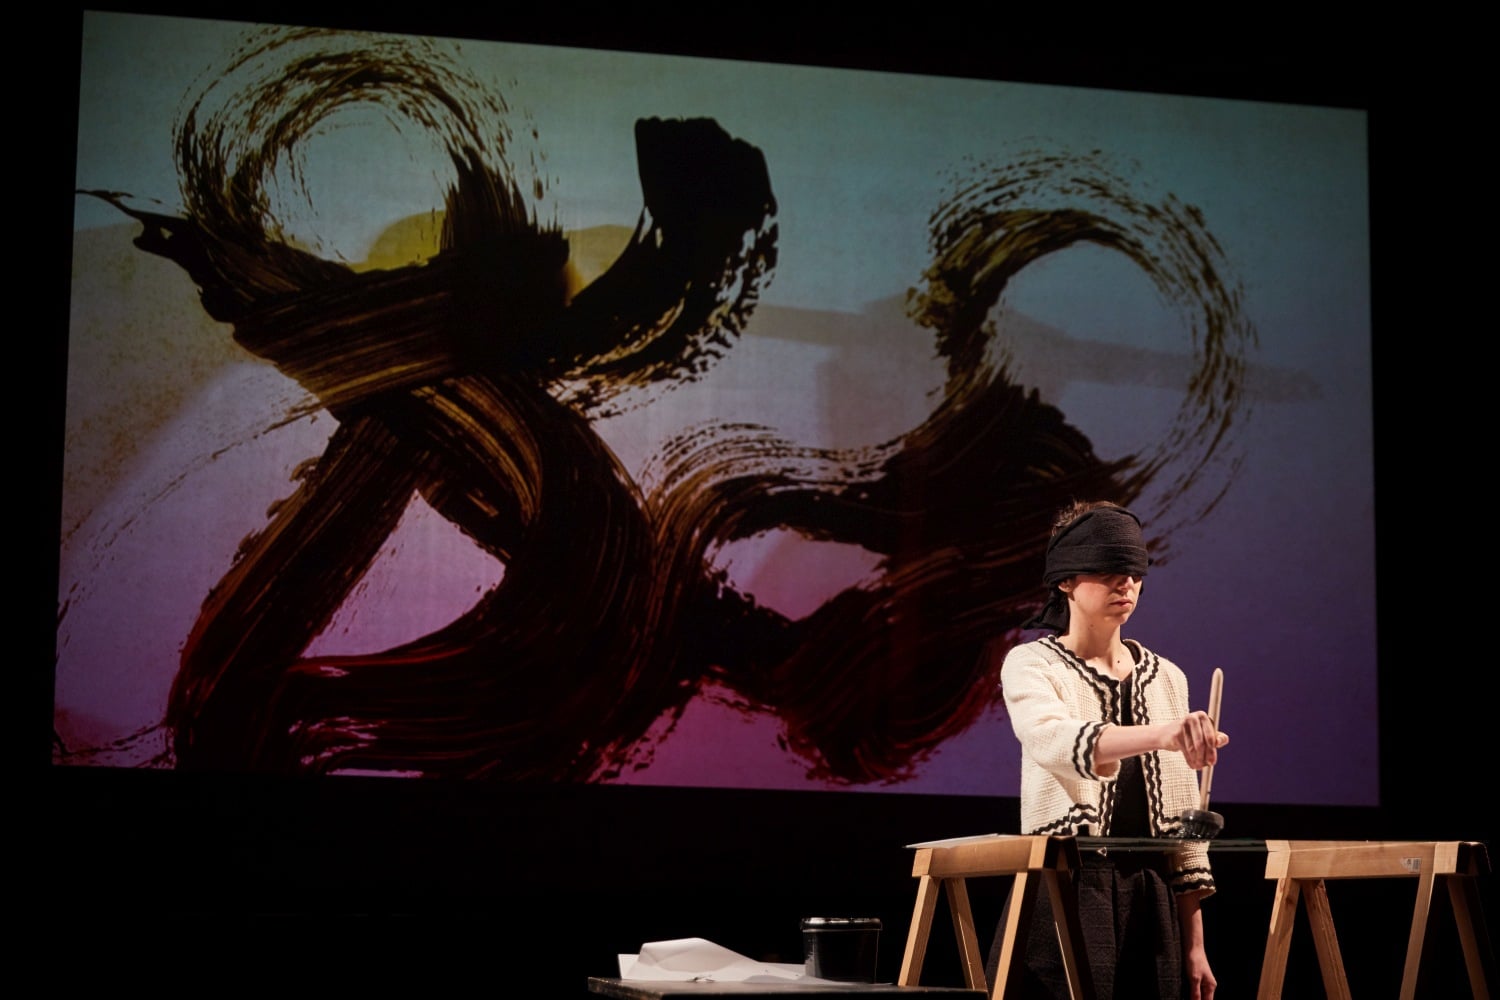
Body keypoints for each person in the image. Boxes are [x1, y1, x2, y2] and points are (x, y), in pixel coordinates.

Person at [989, 500, 1227, 1000]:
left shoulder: (1167, 678)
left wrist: (1195, 944)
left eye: (1134, 573)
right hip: (1066, 887)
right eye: (1108, 571)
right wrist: (1163, 735)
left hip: (1151, 899)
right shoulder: (1033, 665)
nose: (1126, 585)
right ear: (1065, 580)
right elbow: (1052, 738)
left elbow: (1185, 826)